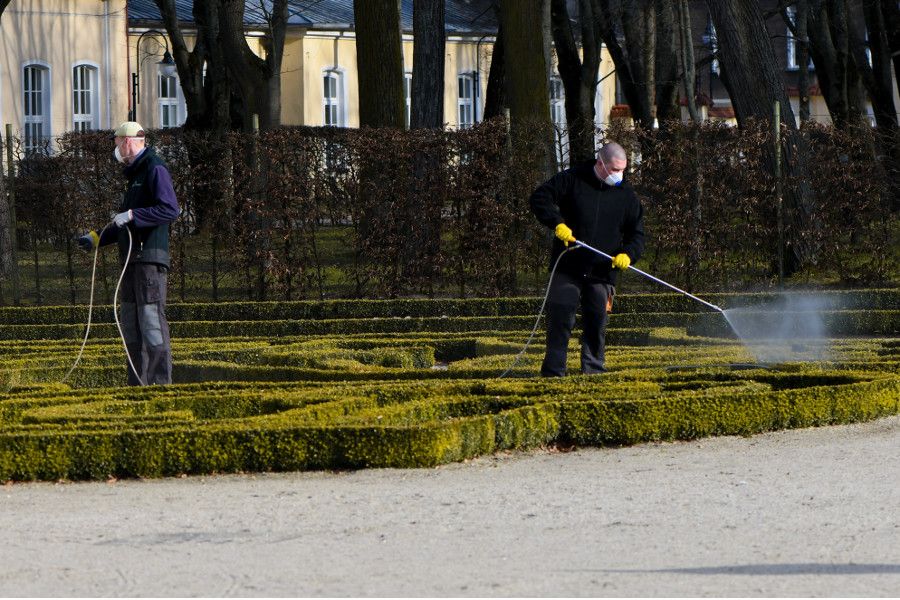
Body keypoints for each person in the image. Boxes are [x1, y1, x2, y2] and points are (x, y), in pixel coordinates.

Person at [529, 142, 645, 377]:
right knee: (560, 320)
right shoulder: (572, 179)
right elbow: (540, 197)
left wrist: (628, 254)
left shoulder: (627, 196)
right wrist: (557, 223)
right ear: (600, 163)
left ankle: (593, 372)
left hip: (602, 272)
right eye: (615, 170)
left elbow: (637, 235)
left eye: (623, 170)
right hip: (568, 267)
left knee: (596, 323)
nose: (619, 175)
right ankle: (553, 374)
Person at [77, 121, 179, 385]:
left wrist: (134, 214)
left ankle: (159, 385)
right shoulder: (135, 175)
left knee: (151, 322)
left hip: (149, 261)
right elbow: (123, 224)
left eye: (116, 142)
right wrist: (96, 238)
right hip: (131, 261)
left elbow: (170, 209)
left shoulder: (155, 168)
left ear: (127, 141)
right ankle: (136, 386)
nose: (116, 148)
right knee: (131, 325)